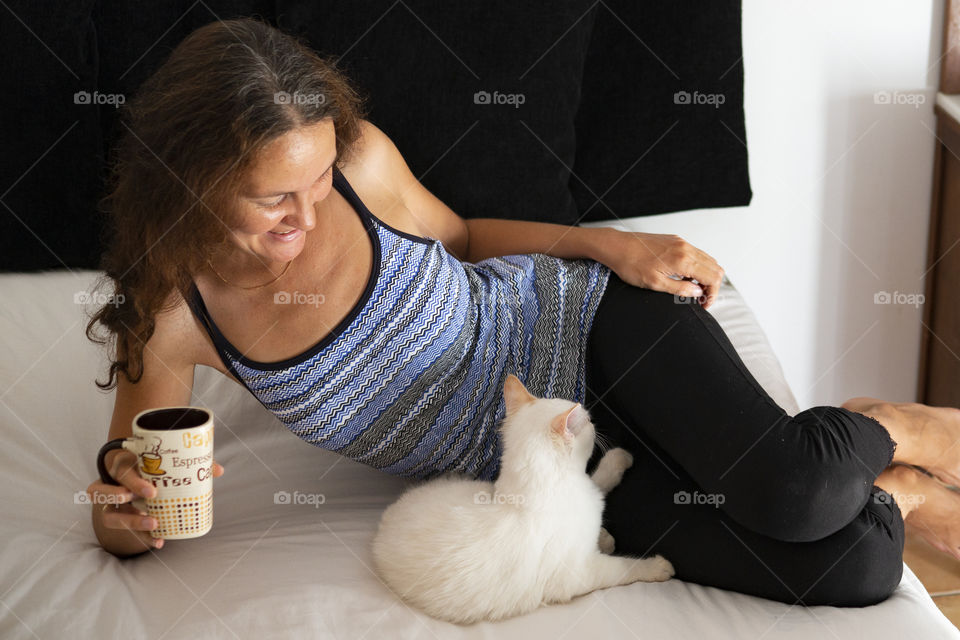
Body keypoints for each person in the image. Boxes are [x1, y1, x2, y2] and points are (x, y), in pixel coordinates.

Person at [84, 17, 960, 607]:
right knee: (857, 563)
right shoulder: (171, 313)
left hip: (589, 326)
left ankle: (883, 425)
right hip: (542, 474)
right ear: (190, 177)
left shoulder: (363, 164)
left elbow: (463, 238)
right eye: (276, 198)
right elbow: (126, 485)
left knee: (799, 491)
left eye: (318, 183)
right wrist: (124, 515)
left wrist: (605, 246)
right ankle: (897, 491)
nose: (307, 217)